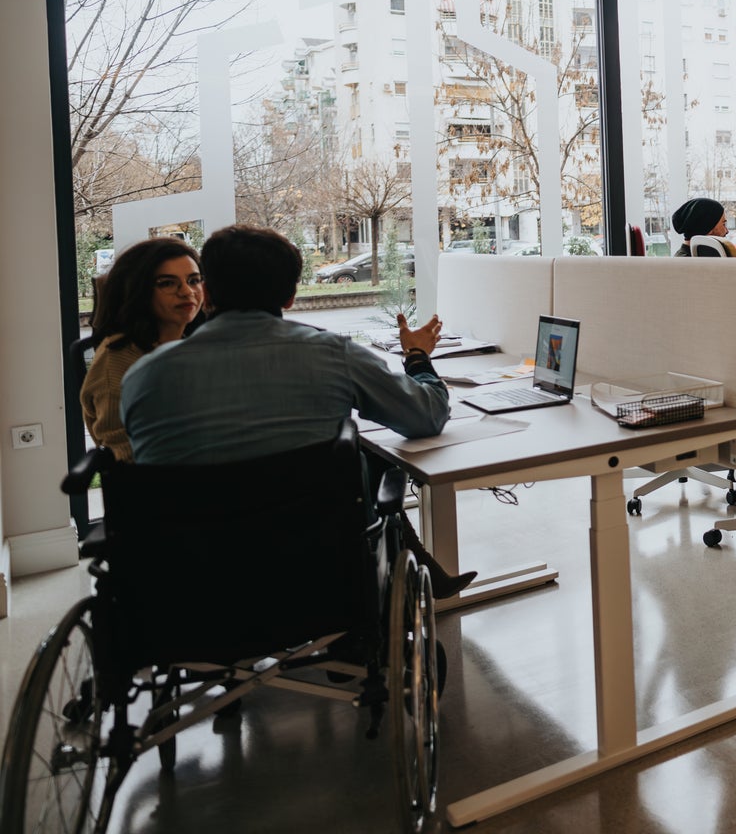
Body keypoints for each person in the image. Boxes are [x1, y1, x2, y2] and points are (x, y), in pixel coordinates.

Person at [120, 224, 474, 598]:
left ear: (205, 292)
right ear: (290, 296)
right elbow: (428, 415)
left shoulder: (144, 375)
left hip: (189, 581)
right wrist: (417, 356)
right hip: (318, 575)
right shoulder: (331, 353)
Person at [79, 237, 206, 463]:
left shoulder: (190, 344)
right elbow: (123, 453)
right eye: (167, 283)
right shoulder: (118, 357)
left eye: (194, 280)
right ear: (137, 291)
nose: (187, 292)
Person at [670, 197, 736, 257]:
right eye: (723, 224)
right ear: (708, 227)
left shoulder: (695, 259)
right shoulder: (688, 265)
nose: (726, 231)